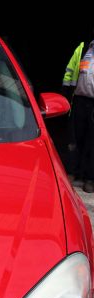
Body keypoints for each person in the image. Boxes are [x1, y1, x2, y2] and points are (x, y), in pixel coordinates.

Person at [62, 37, 94, 193]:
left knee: (92, 142)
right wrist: (66, 94)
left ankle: (90, 178)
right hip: (79, 101)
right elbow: (69, 71)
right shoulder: (83, 48)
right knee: (75, 139)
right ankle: (72, 172)